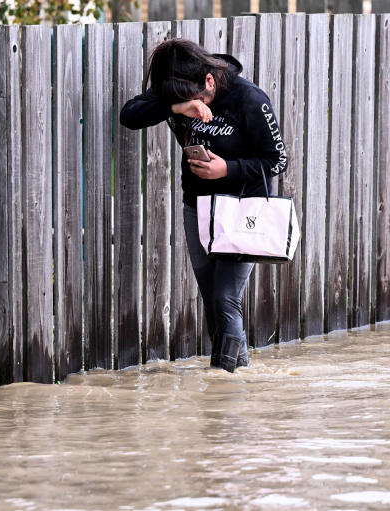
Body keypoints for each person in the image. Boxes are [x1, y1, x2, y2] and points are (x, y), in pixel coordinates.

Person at [120, 39, 288, 372]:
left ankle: (223, 384)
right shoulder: (179, 89)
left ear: (209, 81)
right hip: (196, 207)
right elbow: (130, 115)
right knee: (214, 302)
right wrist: (176, 108)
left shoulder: (249, 99)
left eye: (195, 100)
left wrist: (227, 169)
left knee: (226, 298)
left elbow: (277, 159)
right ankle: (234, 380)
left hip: (242, 209)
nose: (192, 105)